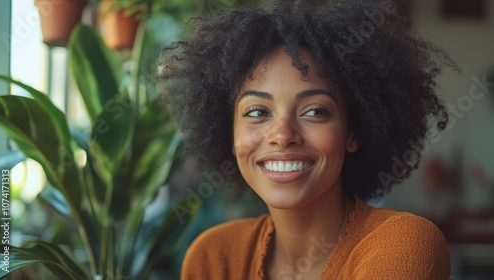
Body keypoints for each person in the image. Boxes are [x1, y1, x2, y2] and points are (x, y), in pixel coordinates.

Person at [159, 0, 456, 279]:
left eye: (314, 111)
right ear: (229, 130)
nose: (283, 135)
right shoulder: (214, 257)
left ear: (352, 131)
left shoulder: (403, 245)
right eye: (258, 111)